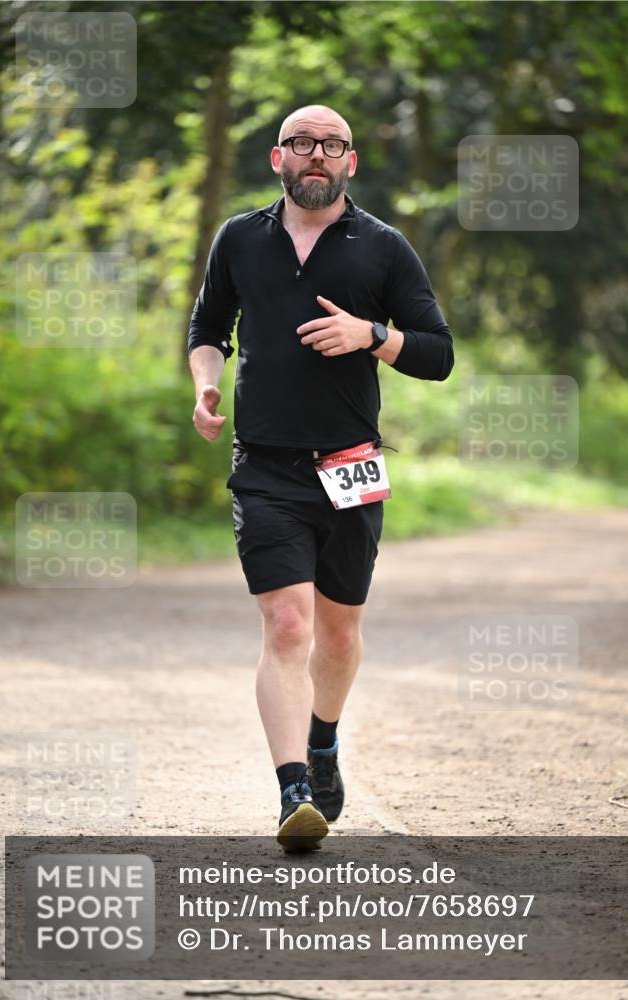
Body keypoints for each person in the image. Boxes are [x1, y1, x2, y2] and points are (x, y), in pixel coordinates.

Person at [188, 105, 453, 851]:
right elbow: (208, 329)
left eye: (330, 146)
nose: (316, 157)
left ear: (350, 162)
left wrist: (371, 336)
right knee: (288, 624)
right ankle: (293, 790)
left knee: (338, 634)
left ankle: (325, 738)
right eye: (301, 144)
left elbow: (437, 353)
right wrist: (205, 385)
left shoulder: (382, 248)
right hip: (264, 466)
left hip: (350, 465)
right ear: (278, 158)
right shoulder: (240, 237)